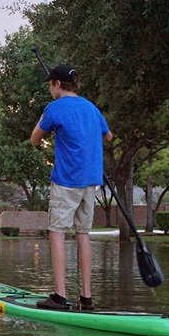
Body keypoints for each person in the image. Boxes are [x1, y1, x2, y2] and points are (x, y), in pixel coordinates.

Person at [30, 64, 113, 311]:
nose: (49, 89)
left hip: (67, 181)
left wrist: (45, 119)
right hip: (91, 181)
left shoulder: (54, 108)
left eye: (49, 84)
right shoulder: (91, 107)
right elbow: (108, 136)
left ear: (57, 84)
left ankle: (59, 296)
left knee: (57, 233)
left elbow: (34, 139)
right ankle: (86, 298)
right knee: (83, 234)